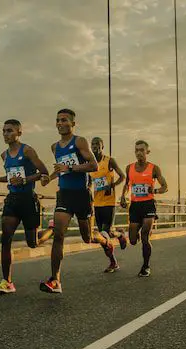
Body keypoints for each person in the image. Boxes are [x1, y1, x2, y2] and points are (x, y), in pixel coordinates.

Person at [39, 109, 116, 294]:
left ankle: (106, 242)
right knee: (59, 235)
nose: (59, 123)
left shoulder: (80, 141)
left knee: (87, 237)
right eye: (57, 120)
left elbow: (93, 165)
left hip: (82, 195)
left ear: (73, 124)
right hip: (64, 194)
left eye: (64, 120)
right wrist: (49, 178)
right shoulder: (54, 147)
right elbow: (60, 170)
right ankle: (55, 280)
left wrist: (71, 167)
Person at [0, 119, 54, 295]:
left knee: (33, 243)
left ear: (19, 132)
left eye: (9, 131)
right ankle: (7, 282)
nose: (6, 134)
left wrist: (24, 180)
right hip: (12, 200)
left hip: (28, 200)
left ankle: (51, 229)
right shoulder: (4, 155)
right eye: (4, 131)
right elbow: (10, 176)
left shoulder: (28, 150)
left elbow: (44, 172)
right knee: (5, 238)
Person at [120, 140, 168, 277]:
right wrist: (123, 196)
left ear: (147, 152)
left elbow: (165, 186)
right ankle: (136, 230)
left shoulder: (154, 168)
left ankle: (146, 266)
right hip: (135, 206)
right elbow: (127, 184)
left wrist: (155, 191)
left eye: (142, 150)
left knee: (145, 237)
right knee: (133, 240)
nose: (139, 153)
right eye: (136, 150)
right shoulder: (129, 168)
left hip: (148, 205)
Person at [89, 136, 128, 272]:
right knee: (103, 236)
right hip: (97, 203)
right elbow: (89, 182)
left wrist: (112, 185)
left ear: (102, 146)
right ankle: (114, 260)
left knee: (105, 232)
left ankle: (120, 236)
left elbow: (123, 176)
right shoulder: (90, 164)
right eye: (93, 144)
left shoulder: (109, 160)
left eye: (98, 144)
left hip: (109, 202)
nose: (95, 146)